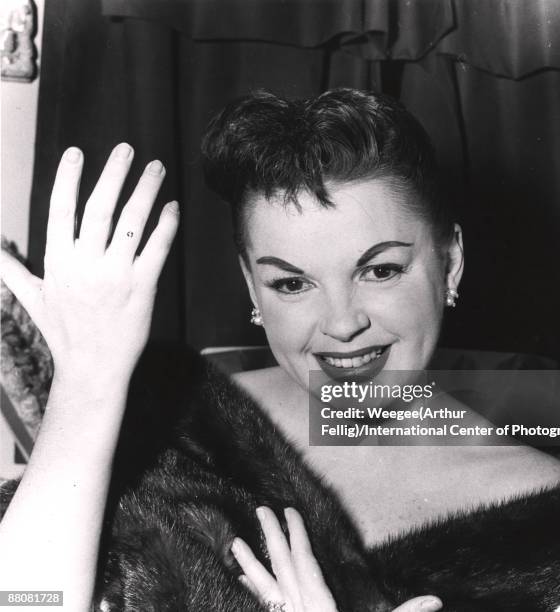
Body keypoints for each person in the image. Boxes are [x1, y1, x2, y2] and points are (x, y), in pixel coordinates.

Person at [0, 89, 558, 611]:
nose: (342, 324)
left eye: (381, 270)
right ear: (252, 287)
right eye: (292, 284)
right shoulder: (173, 421)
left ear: (451, 263)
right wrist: (87, 383)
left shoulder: (539, 523)